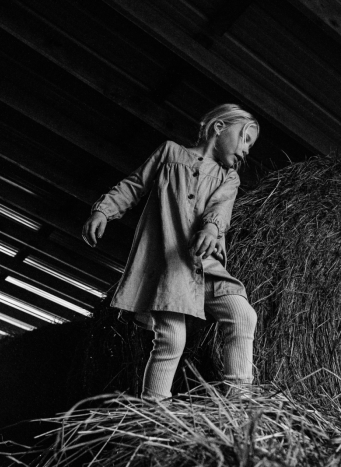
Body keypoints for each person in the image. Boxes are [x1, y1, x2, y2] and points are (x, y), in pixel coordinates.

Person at [83, 103, 260, 400]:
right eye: (245, 139)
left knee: (243, 314)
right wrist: (104, 211)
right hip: (169, 265)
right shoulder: (169, 153)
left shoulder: (229, 178)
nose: (246, 151)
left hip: (206, 266)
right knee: (172, 338)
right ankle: (154, 407)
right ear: (219, 128)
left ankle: (240, 397)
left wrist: (212, 228)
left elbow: (221, 208)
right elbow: (134, 185)